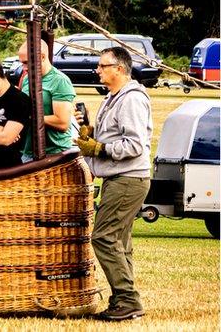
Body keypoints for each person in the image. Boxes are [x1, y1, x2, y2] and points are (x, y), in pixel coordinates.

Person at [74, 47, 152, 321]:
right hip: (120, 178)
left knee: (104, 238)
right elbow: (116, 134)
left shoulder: (131, 100)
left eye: (102, 65)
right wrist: (91, 132)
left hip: (127, 178)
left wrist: (98, 148)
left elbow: (134, 145)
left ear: (119, 68)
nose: (98, 70)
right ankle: (124, 302)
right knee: (120, 241)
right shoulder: (113, 97)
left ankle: (128, 300)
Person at [18, 40, 76, 161]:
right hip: (28, 152)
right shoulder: (26, 79)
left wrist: (29, 117)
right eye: (22, 63)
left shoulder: (60, 81)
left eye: (26, 63)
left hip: (54, 154)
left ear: (42, 57)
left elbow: (62, 122)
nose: (24, 68)